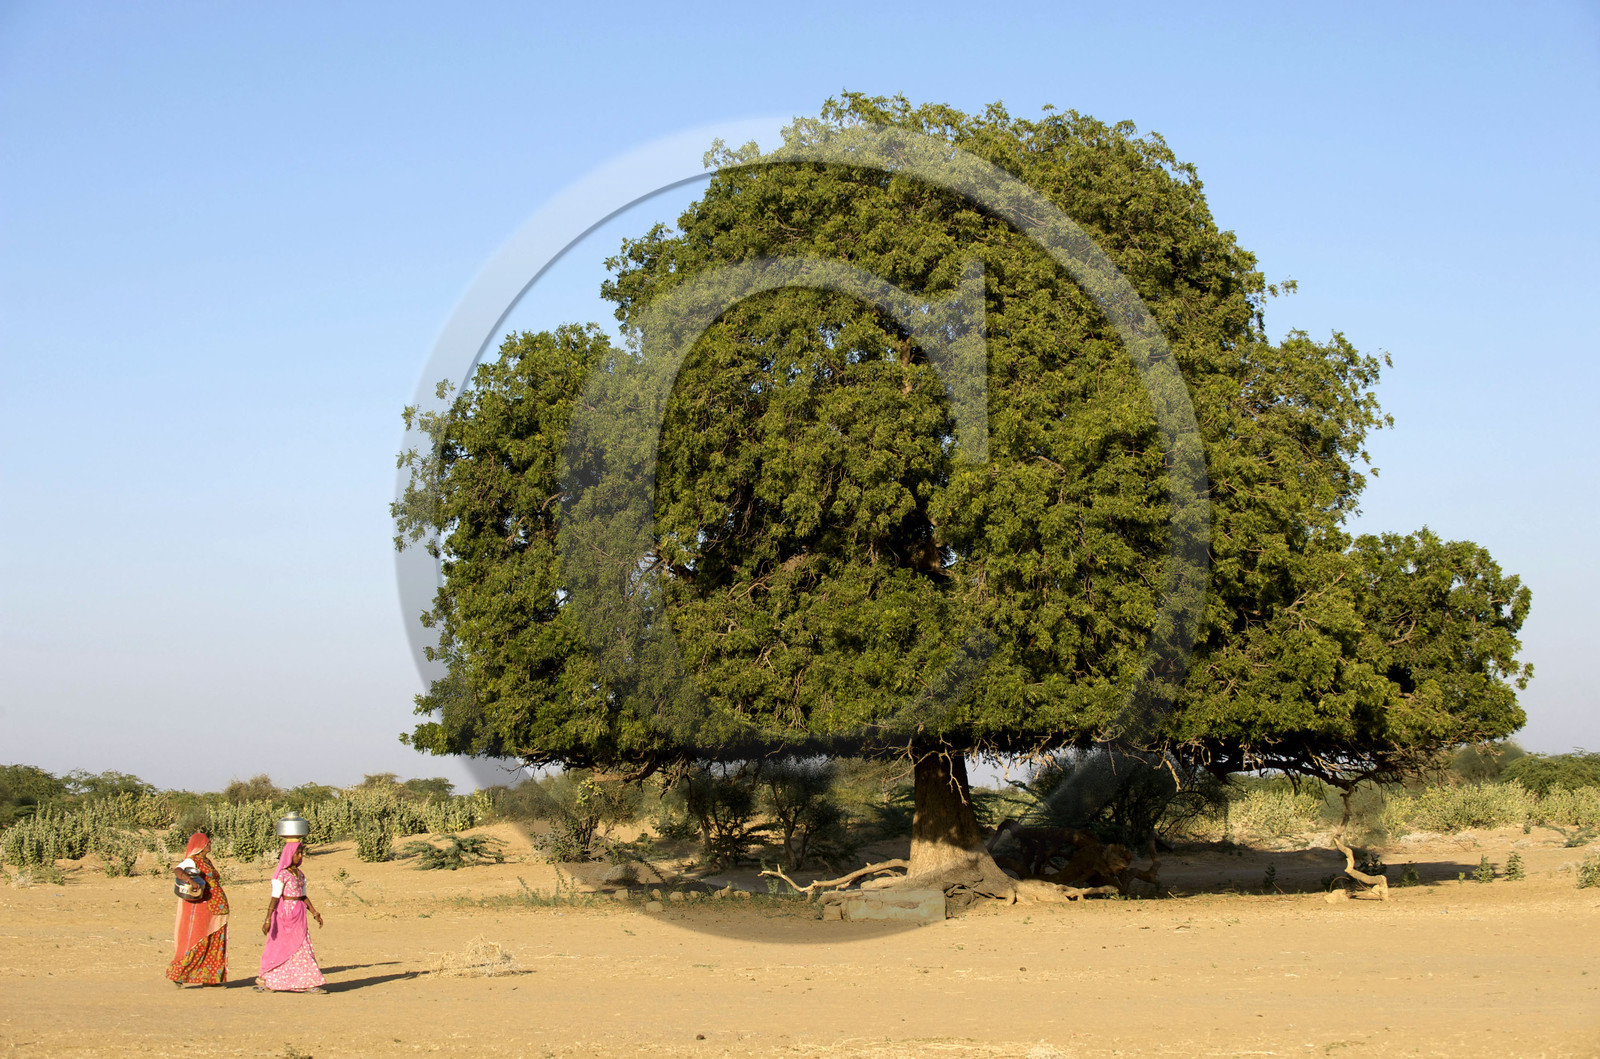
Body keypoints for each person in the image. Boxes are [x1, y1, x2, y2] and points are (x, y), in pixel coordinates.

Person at [257, 839, 327, 993]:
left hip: (299, 915)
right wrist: (268, 919)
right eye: (298, 853)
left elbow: (303, 896)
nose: (300, 856)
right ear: (290, 854)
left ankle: (309, 982)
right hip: (284, 916)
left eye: (302, 853)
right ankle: (274, 980)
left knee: (303, 946)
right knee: (282, 947)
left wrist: (314, 912)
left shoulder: (300, 875)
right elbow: (275, 898)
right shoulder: (282, 875)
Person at [166, 831, 228, 986]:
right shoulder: (191, 861)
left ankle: (210, 978)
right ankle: (179, 973)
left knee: (214, 941)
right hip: (203, 908)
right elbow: (178, 871)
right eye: (207, 843)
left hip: (216, 907)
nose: (209, 845)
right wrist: (190, 881)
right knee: (199, 941)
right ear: (200, 845)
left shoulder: (206, 861)